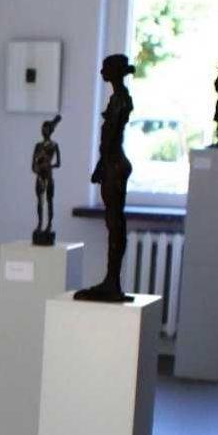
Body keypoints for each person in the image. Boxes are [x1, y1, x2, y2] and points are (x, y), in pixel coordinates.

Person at [75, 55, 136, 303]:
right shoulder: (120, 97)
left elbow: (110, 137)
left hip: (114, 163)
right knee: (114, 223)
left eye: (106, 68)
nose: (101, 72)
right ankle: (112, 280)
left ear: (114, 71)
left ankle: (112, 281)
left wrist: (101, 164)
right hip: (114, 162)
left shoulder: (119, 98)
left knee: (114, 223)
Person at [31, 114, 62, 245]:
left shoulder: (54, 145)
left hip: (48, 176)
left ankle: (49, 224)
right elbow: (33, 165)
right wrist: (38, 168)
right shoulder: (38, 146)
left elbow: (58, 163)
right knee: (40, 202)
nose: (44, 132)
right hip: (40, 176)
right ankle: (39, 224)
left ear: (50, 131)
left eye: (46, 129)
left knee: (49, 201)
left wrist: (48, 165)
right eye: (42, 130)